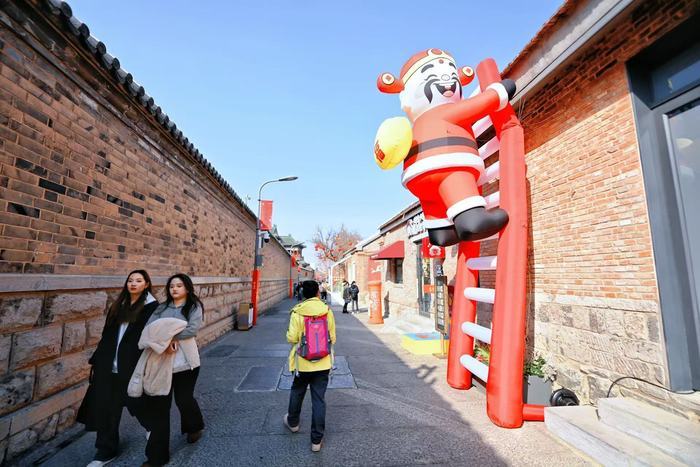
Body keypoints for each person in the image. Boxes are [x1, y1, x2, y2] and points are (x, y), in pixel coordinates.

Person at [78, 270, 159, 467]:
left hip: (132, 365)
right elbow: (106, 335)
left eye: (138, 280)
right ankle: (105, 450)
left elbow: (155, 336)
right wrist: (98, 359)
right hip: (109, 365)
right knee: (106, 408)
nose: (133, 283)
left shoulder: (152, 308)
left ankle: (154, 430)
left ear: (147, 284)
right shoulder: (118, 305)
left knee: (137, 401)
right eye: (130, 280)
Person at [140, 273, 205, 466]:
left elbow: (192, 329)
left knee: (184, 399)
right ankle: (156, 457)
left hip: (186, 363)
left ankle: (194, 426)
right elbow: (149, 328)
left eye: (179, 285)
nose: (174, 289)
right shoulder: (161, 308)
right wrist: (165, 340)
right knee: (159, 409)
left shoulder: (193, 306)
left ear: (187, 288)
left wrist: (169, 337)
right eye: (171, 286)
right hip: (161, 363)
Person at [283, 280, 336, 452]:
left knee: (297, 391)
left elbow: (292, 338)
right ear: (318, 293)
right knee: (319, 400)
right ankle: (316, 441)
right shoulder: (327, 310)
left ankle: (293, 423)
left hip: (303, 363)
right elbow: (333, 338)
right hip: (323, 362)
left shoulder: (297, 311)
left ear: (303, 294)